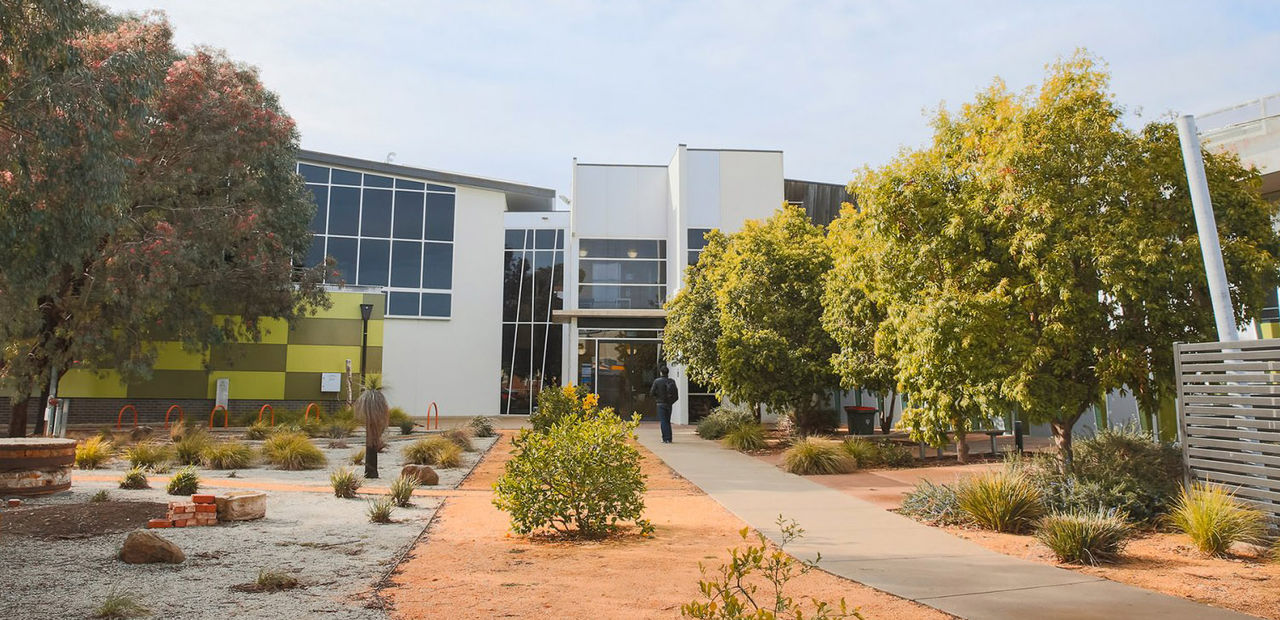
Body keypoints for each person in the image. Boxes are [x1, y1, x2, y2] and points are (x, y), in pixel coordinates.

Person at [650, 366, 679, 443]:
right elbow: (676, 395)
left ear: (661, 372)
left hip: (660, 403)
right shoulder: (672, 381)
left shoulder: (657, 381)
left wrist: (657, 397)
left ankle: (665, 438)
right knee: (667, 421)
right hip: (669, 404)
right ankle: (669, 438)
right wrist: (671, 402)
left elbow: (651, 393)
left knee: (663, 421)